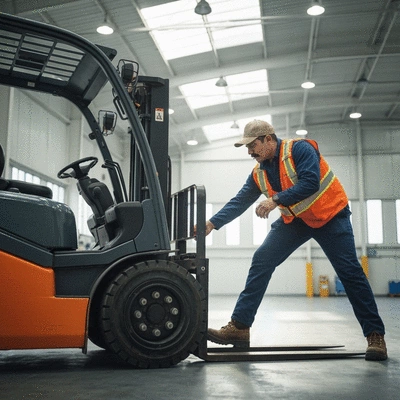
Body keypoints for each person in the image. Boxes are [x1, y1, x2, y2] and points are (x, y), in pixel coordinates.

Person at [201, 119, 387, 361]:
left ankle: (375, 336)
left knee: (350, 271)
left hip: (331, 215)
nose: (249, 152)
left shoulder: (299, 150)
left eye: (252, 145)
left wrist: (275, 200)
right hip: (297, 221)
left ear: (269, 139)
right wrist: (212, 223)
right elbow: (240, 201)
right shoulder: (259, 172)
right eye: (246, 148)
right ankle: (240, 327)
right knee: (262, 260)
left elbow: (311, 182)